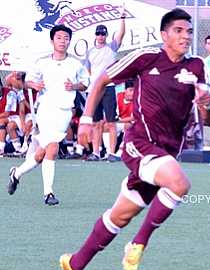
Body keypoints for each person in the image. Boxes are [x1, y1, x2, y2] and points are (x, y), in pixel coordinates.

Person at [58, 8, 210, 270]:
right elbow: (101, 81)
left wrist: (205, 103)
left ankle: (74, 265)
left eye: (189, 31)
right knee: (179, 184)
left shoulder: (196, 66)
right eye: (179, 30)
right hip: (139, 143)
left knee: (119, 216)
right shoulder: (146, 58)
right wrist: (87, 121)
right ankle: (138, 245)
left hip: (166, 153)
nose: (185, 36)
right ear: (164, 35)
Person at [7, 24, 89, 205]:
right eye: (59, 38)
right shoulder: (42, 62)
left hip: (65, 113)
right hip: (45, 110)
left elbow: (85, 84)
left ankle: (17, 173)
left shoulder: (76, 64)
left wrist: (73, 86)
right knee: (52, 148)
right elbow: (26, 82)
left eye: (66, 38)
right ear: (52, 40)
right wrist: (33, 85)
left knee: (41, 154)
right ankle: (48, 193)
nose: (63, 41)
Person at [83, 15, 126, 161]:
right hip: (94, 89)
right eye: (98, 33)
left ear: (106, 35)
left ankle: (111, 153)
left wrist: (122, 19)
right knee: (96, 122)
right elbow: (88, 70)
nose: (100, 36)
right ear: (95, 35)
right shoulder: (90, 52)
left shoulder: (112, 47)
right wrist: (94, 82)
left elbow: (121, 34)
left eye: (103, 34)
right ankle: (96, 152)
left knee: (111, 122)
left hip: (109, 87)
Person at [102, 79, 134, 158]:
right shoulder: (117, 96)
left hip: (130, 124)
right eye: (131, 90)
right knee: (106, 126)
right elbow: (111, 111)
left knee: (128, 126)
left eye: (134, 91)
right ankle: (108, 152)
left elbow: (134, 117)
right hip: (118, 122)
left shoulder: (137, 99)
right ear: (125, 90)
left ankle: (120, 152)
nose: (133, 93)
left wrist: (119, 120)